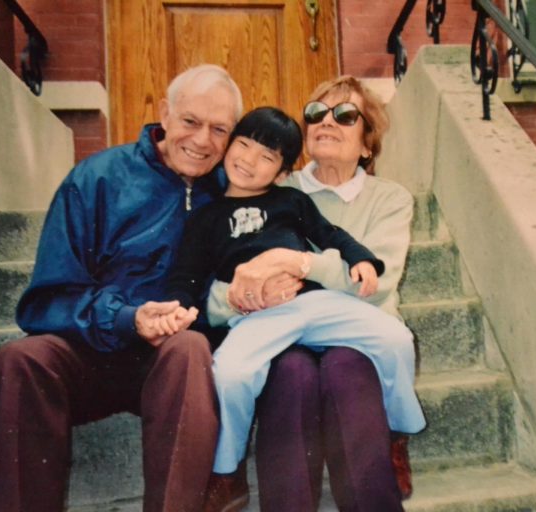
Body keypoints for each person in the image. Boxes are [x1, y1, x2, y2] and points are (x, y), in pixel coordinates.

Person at [0, 64, 243, 512]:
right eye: (191, 122)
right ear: (165, 113)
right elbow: (46, 301)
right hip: (91, 353)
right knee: (18, 360)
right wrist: (126, 318)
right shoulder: (96, 179)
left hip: (175, 368)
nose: (202, 142)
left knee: (189, 349)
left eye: (220, 129)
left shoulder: (234, 190)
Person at [153, 106, 425, 511]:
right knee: (229, 374)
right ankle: (226, 471)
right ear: (228, 148)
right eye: (243, 147)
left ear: (281, 171)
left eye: (266, 157)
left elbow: (330, 233)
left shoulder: (291, 200)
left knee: (395, 338)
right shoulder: (205, 218)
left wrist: (361, 259)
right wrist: (181, 309)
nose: (248, 160)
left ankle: (399, 429)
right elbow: (187, 275)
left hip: (313, 303)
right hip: (256, 317)